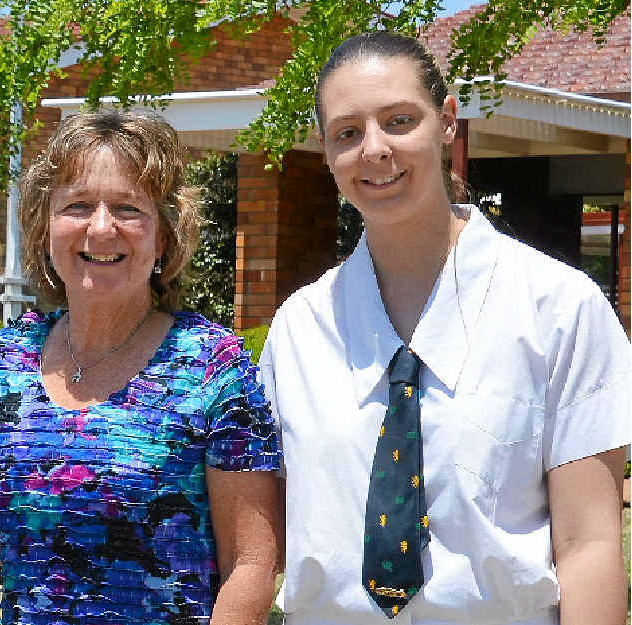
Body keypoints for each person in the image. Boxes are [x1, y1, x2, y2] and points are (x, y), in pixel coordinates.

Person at [260, 31, 630, 625]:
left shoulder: (560, 311)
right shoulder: (299, 331)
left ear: (447, 122)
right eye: (347, 133)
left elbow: (589, 549)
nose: (374, 149)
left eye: (400, 120)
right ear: (327, 153)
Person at [0, 109, 283, 624]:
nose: (101, 227)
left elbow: (253, 564)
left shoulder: (214, 368)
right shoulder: (7, 360)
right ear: (45, 230)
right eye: (78, 205)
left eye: (128, 208)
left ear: (164, 236)